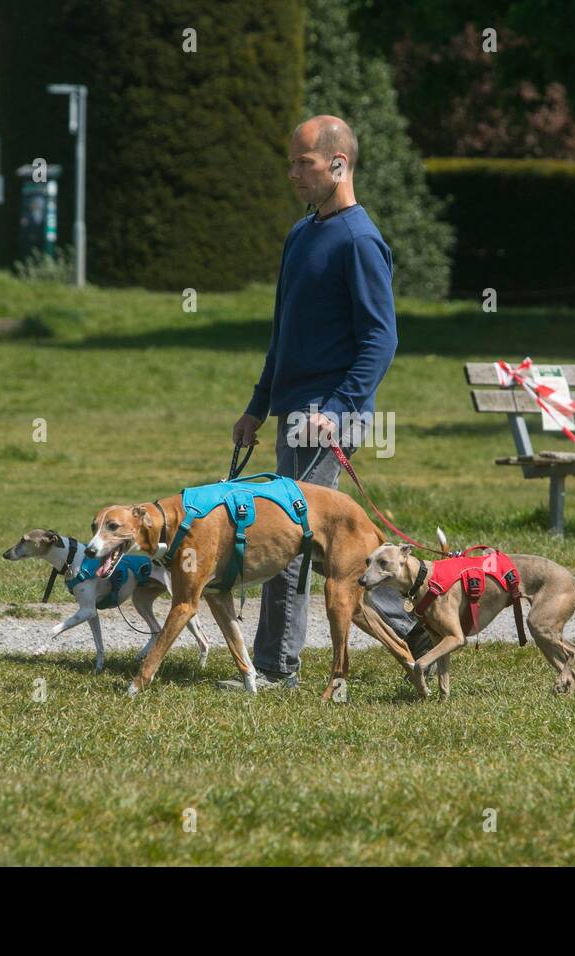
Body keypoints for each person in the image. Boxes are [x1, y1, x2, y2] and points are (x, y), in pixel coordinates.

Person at [216, 115, 431, 692]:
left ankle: (273, 669)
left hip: (324, 420)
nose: (292, 173)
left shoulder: (360, 239)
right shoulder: (301, 234)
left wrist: (335, 410)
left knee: (286, 541)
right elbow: (283, 333)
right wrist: (258, 405)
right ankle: (419, 632)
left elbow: (380, 339)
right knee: (295, 542)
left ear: (338, 165)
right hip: (293, 413)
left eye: (302, 163)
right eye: (290, 162)